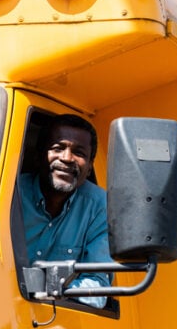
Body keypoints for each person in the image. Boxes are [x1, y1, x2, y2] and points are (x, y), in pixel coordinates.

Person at [18, 114, 112, 309]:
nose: (67, 158)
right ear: (39, 155)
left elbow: (97, 289)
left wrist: (37, 285)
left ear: (90, 167)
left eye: (79, 153)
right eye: (58, 148)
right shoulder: (10, 192)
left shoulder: (100, 206)